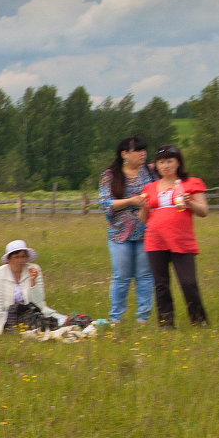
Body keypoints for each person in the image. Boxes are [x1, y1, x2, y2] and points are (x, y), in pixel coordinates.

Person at [139, 144, 209, 327]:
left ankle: (199, 321)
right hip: (155, 240)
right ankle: (166, 323)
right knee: (161, 285)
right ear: (156, 165)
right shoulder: (149, 187)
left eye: (169, 161)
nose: (165, 165)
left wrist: (190, 203)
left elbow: (203, 211)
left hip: (181, 240)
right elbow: (144, 219)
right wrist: (143, 209)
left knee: (188, 282)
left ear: (178, 163)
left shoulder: (191, 183)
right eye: (161, 162)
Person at [98, 136, 154, 324]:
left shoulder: (150, 172)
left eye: (144, 150)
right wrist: (131, 201)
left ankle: (143, 319)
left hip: (146, 234)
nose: (143, 153)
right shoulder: (110, 175)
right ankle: (116, 319)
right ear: (124, 154)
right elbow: (105, 204)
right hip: (119, 235)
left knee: (145, 276)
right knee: (121, 276)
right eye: (138, 150)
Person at [0, 240, 67, 331]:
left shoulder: (34, 269)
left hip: (33, 312)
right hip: (9, 315)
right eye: (16, 257)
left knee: (62, 321)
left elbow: (39, 301)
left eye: (23, 256)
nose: (21, 260)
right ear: (8, 259)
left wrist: (33, 282)